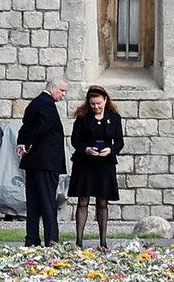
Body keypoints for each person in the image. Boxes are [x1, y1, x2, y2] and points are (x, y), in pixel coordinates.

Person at [67, 85, 124, 249]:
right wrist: (85, 149)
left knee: (102, 202)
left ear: (105, 100)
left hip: (105, 164)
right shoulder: (83, 117)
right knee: (83, 200)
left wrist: (111, 150)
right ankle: (79, 241)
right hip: (85, 163)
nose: (96, 107)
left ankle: (103, 242)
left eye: (98, 103)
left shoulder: (114, 118)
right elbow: (75, 140)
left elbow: (119, 142)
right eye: (92, 104)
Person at [16, 76, 68, 247]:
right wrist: (28, 146)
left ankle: (32, 239)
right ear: (52, 88)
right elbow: (41, 128)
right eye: (62, 90)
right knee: (47, 202)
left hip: (33, 163)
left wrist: (22, 144)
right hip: (45, 163)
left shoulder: (35, 103)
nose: (63, 94)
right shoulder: (47, 104)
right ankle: (51, 239)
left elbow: (25, 126)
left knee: (33, 202)